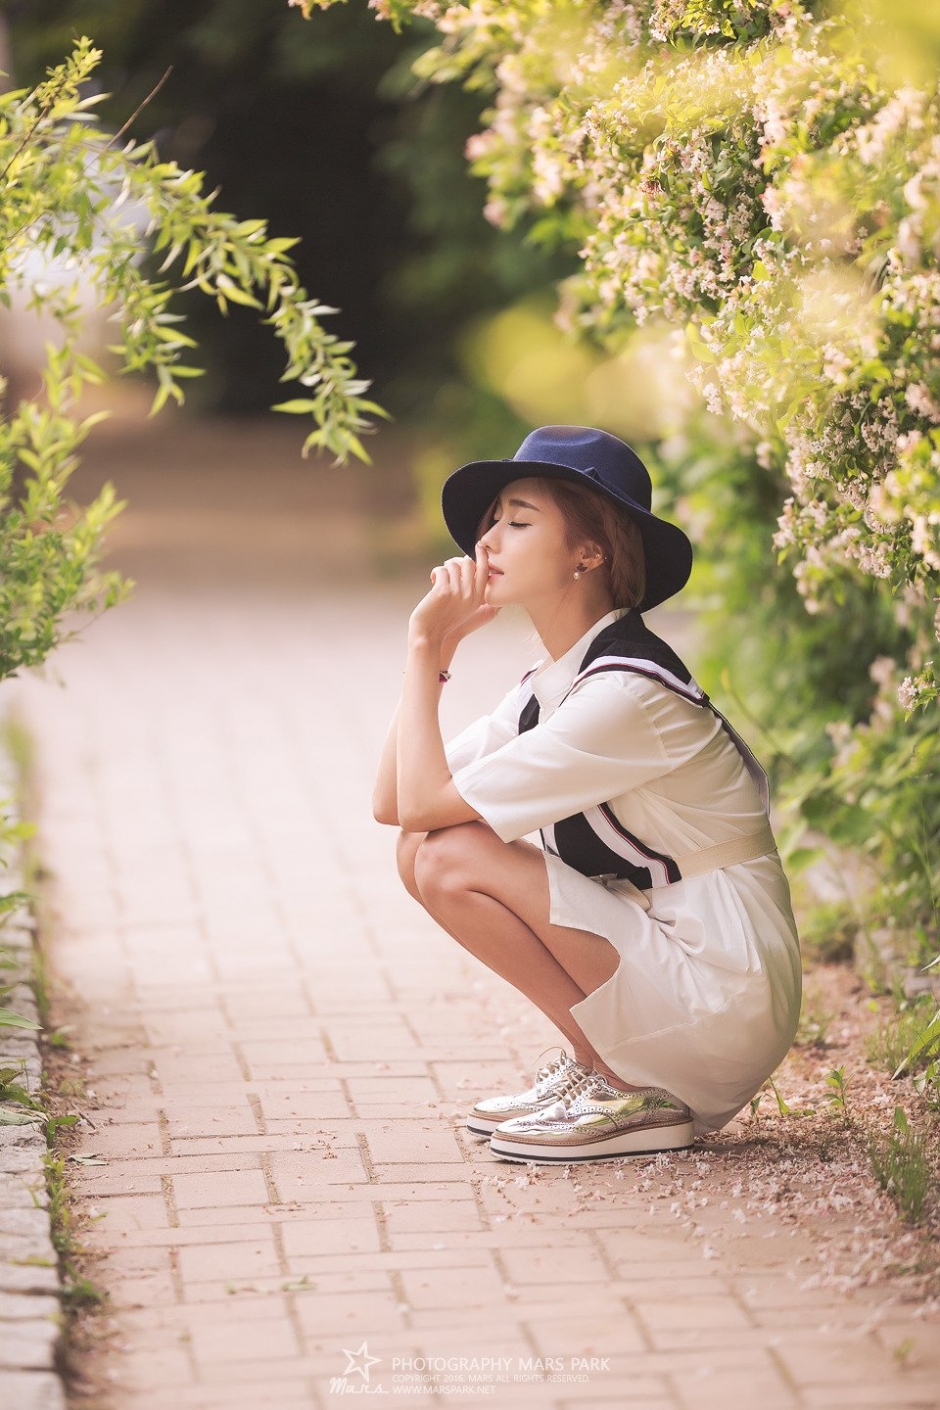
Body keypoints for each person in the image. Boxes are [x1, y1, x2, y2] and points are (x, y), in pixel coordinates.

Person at [373, 425, 802, 1164]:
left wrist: (422, 647)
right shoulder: (556, 683)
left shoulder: (628, 692)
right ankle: (598, 1065)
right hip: (678, 964)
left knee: (451, 854)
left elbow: (421, 806)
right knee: (426, 852)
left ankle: (623, 1080)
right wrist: (434, 658)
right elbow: (394, 805)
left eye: (518, 520)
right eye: (491, 521)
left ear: (588, 551)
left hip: (724, 990)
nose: (487, 542)